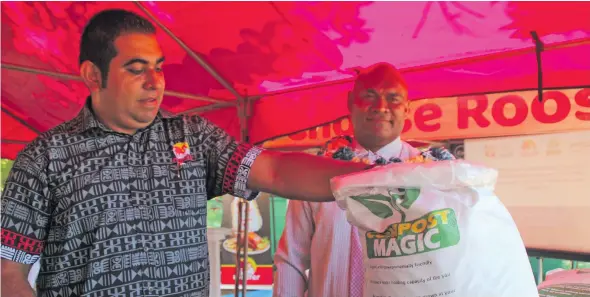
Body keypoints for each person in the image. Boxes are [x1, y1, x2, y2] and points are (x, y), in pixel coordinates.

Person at [0, 9, 371, 297]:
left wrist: (373, 181)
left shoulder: (190, 137)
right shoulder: (44, 158)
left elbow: (274, 171)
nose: (155, 81)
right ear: (93, 75)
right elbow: (8, 274)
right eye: (136, 69)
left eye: (158, 67)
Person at [273, 62, 444, 297]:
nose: (381, 107)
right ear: (350, 102)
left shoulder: (433, 175)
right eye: (369, 95)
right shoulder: (316, 172)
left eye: (393, 98)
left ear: (407, 108)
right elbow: (291, 260)